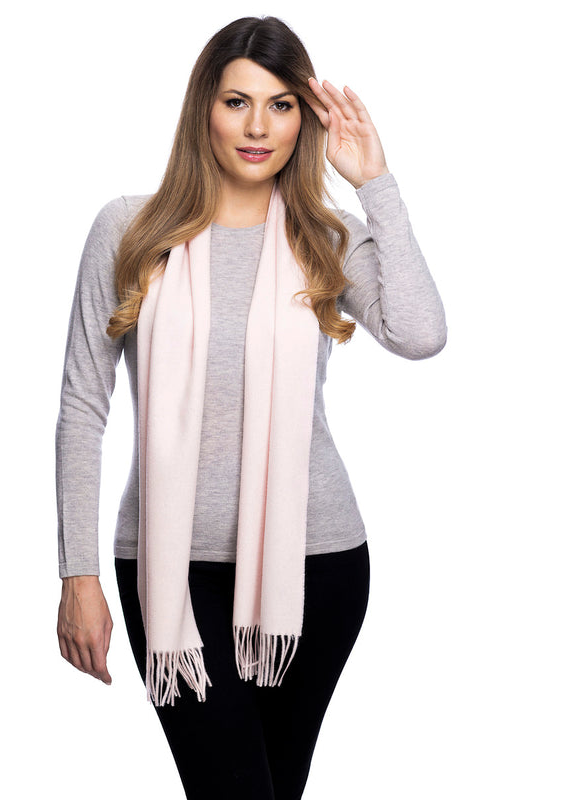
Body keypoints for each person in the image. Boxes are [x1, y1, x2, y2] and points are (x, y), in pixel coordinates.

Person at [55, 15, 446, 800]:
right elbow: (82, 406)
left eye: (281, 105)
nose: (259, 127)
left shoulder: (327, 236)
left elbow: (421, 333)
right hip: (170, 569)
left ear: (305, 118)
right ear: (204, 107)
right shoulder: (129, 230)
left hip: (317, 566)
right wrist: (79, 575)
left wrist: (375, 182)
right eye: (237, 102)